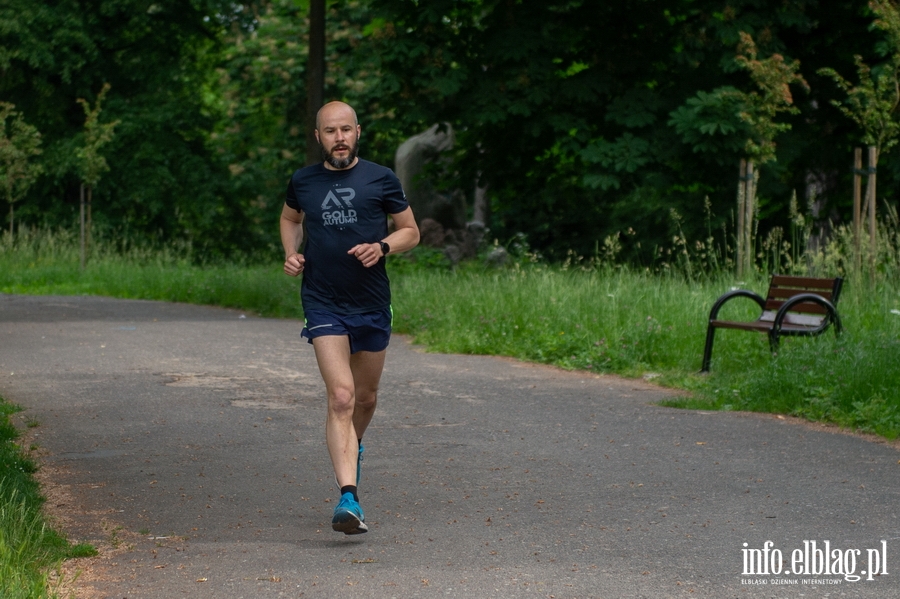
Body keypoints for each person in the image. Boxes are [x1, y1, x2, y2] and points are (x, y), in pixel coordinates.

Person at [280, 101, 419, 535]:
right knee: (341, 396)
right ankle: (348, 497)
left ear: (357, 132)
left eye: (345, 130)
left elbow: (411, 231)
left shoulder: (381, 178)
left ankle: (351, 449)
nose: (338, 137)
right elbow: (289, 219)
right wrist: (291, 252)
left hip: (372, 303)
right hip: (322, 301)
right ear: (317, 136)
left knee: (365, 398)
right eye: (329, 131)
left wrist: (383, 247)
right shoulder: (303, 181)